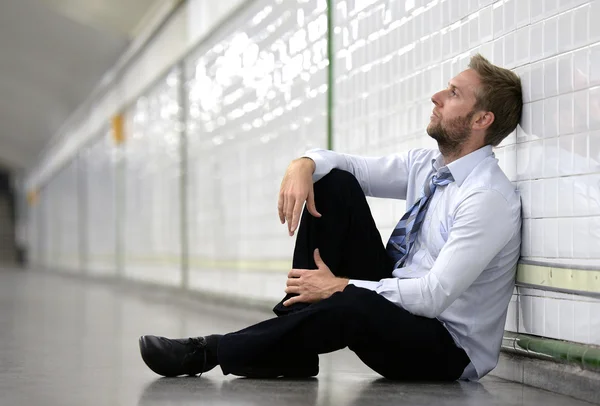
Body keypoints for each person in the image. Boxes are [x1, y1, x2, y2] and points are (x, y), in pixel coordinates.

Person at [138, 53, 523, 381]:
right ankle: (293, 341)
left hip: (445, 348)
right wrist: (303, 163)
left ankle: (212, 351)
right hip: (398, 305)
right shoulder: (428, 165)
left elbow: (432, 297)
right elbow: (346, 165)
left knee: (352, 301)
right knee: (332, 183)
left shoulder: (486, 198)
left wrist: (340, 286)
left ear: (480, 120)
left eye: (453, 93)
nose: (436, 96)